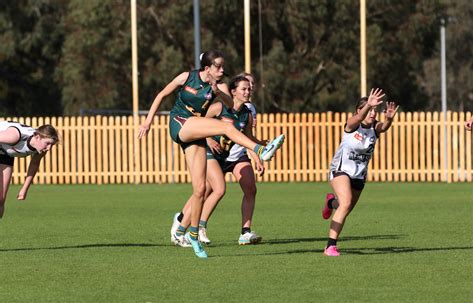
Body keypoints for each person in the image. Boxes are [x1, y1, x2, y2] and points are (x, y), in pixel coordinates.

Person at [138, 50, 285, 258]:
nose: (222, 70)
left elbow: (230, 105)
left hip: (194, 132)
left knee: (200, 189)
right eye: (218, 66)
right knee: (224, 128)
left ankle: (193, 236)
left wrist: (220, 92)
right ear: (207, 68)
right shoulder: (186, 77)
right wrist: (148, 121)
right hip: (179, 123)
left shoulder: (218, 87)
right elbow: (161, 95)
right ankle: (260, 149)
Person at [171, 74, 266, 247]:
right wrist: (208, 139)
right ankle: (188, 226)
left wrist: (262, 148)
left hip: (233, 156)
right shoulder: (218, 108)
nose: (248, 91)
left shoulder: (248, 113)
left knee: (247, 188)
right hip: (211, 153)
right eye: (244, 88)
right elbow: (198, 124)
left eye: (250, 88)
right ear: (233, 92)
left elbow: (248, 138)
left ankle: (244, 232)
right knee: (211, 189)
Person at [320, 88, 398, 256]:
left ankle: (330, 203)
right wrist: (367, 105)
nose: (373, 113)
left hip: (359, 175)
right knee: (346, 202)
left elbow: (383, 127)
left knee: (344, 207)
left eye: (375, 111)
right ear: (360, 110)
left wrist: (389, 120)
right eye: (370, 110)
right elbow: (358, 118)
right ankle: (330, 246)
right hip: (340, 170)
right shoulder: (352, 125)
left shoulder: (374, 130)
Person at [0, 121, 60, 218]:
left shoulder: (41, 149)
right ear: (37, 137)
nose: (49, 148)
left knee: (1, 200)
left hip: (5, 154)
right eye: (48, 143)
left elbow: (34, 164)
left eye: (52, 145)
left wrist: (24, 189)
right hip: (4, 148)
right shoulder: (15, 136)